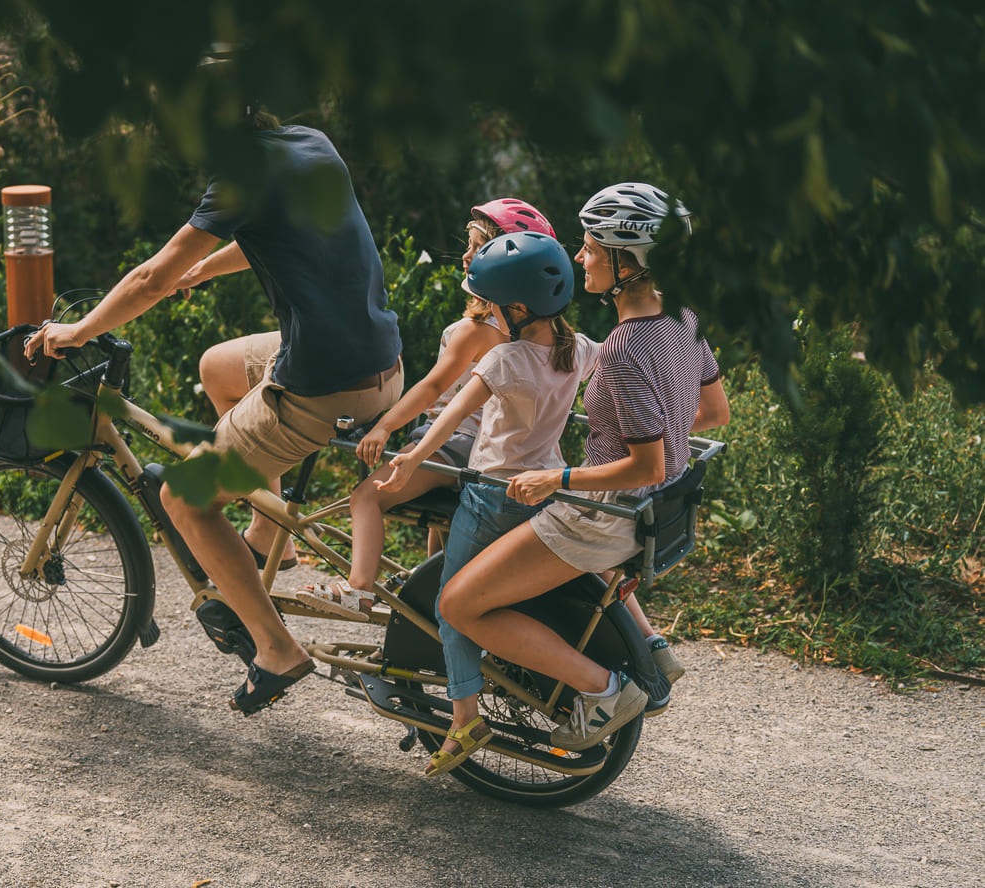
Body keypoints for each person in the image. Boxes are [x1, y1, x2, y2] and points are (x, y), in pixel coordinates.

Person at [25, 108, 404, 715]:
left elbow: (150, 279)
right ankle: (268, 534)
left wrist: (78, 330)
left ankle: (276, 650)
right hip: (380, 363)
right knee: (218, 368)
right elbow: (272, 236)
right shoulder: (309, 142)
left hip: (325, 387)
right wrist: (202, 268)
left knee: (182, 499)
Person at [432, 182, 730, 762]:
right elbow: (714, 411)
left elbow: (644, 463)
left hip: (599, 518)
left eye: (591, 248)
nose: (579, 257)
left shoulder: (621, 349)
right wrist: (657, 427)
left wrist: (558, 479)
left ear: (626, 262)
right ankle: (649, 645)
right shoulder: (684, 320)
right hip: (650, 509)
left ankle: (603, 692)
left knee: (458, 605)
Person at [378, 229, 600, 775]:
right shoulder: (581, 349)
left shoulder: (505, 359)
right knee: (496, 593)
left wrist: (411, 457)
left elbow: (451, 414)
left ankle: (465, 719)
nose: (490, 314)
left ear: (518, 309)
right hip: (544, 489)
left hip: (492, 494)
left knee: (451, 604)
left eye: (495, 305)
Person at [296, 199, 555, 619]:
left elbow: (433, 386)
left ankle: (359, 589)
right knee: (441, 526)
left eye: (479, 248)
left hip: (454, 444)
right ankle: (429, 585)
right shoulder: (537, 334)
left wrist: (384, 426)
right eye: (469, 246)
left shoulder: (474, 331)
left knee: (365, 498)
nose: (467, 256)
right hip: (496, 451)